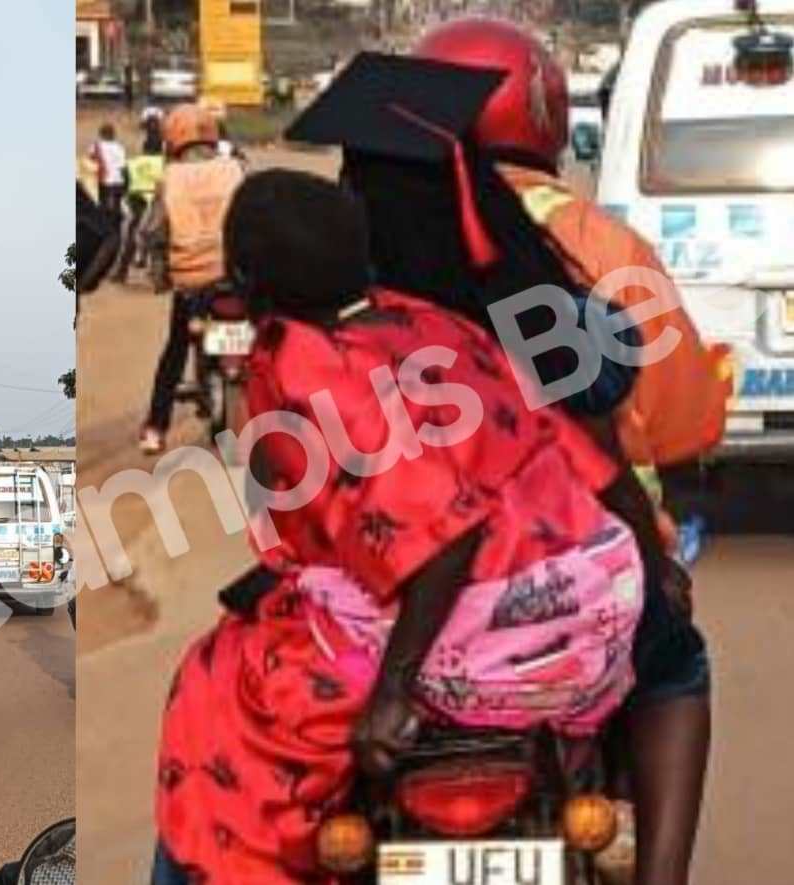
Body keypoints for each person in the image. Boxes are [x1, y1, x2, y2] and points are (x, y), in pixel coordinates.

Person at [281, 24, 717, 885]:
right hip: (546, 611)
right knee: (675, 662)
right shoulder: (533, 289)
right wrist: (648, 550)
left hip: (383, 631)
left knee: (230, 712)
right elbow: (598, 442)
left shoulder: (329, 315)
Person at [154, 170, 671, 882]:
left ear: (248, 276)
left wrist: (393, 695)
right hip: (587, 618)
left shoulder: (301, 363)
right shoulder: (430, 323)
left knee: (212, 693)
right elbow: (578, 455)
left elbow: (440, 535)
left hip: (470, 637)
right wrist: (652, 567)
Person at [138, 103, 245, 455]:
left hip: (192, 283)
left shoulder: (170, 178)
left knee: (175, 350)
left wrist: (160, 274)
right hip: (235, 277)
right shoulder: (235, 169)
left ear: (173, 140)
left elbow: (152, 231)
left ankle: (155, 427)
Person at [111, 123, 166, 285]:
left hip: (138, 202)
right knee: (161, 239)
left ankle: (121, 273)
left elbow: (124, 180)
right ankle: (163, 277)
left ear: (144, 147)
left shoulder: (134, 163)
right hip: (159, 204)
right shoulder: (166, 164)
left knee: (130, 238)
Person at [89, 123, 129, 223]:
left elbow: (91, 162)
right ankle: (117, 231)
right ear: (113, 134)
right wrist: (127, 183)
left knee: (103, 208)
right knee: (117, 207)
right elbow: (123, 168)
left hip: (104, 181)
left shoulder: (95, 146)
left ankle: (105, 230)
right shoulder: (119, 148)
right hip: (118, 181)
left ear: (101, 134)